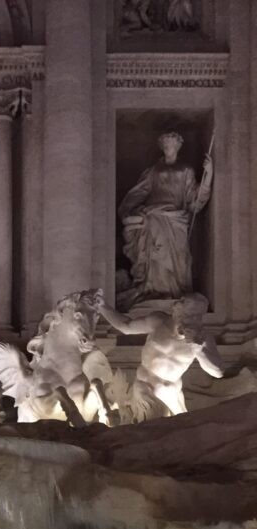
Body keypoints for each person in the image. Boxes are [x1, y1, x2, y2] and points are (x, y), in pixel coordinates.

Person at [117, 130, 212, 309]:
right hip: (154, 217)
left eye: (172, 145)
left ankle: (177, 293)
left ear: (178, 147)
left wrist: (209, 175)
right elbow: (138, 192)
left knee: (181, 259)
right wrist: (127, 211)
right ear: (162, 147)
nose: (169, 148)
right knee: (156, 256)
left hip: (176, 220)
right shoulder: (153, 171)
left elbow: (195, 200)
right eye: (166, 145)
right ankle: (155, 291)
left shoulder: (186, 170)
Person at [97, 292, 223, 418]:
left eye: (196, 317)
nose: (192, 321)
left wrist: (198, 349)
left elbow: (218, 372)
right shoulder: (158, 322)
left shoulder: (203, 338)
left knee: (180, 424)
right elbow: (126, 326)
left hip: (169, 393)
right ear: (177, 310)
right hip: (143, 387)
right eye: (187, 315)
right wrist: (102, 306)